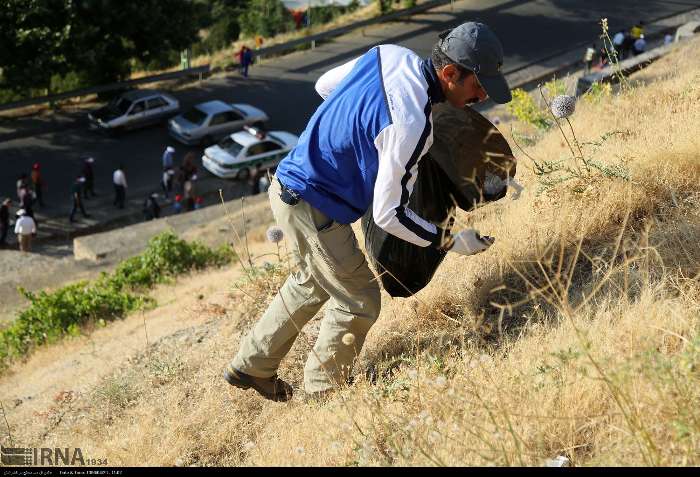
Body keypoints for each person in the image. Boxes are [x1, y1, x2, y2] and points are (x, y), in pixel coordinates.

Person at [223, 22, 510, 402]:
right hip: (315, 204)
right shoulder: (411, 125)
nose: (483, 95)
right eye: (478, 84)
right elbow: (390, 214)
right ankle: (322, 396)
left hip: (288, 184)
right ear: (450, 73)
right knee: (359, 299)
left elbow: (325, 85)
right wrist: (452, 241)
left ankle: (252, 365)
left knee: (312, 281)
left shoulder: (389, 55)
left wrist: (351, 138)